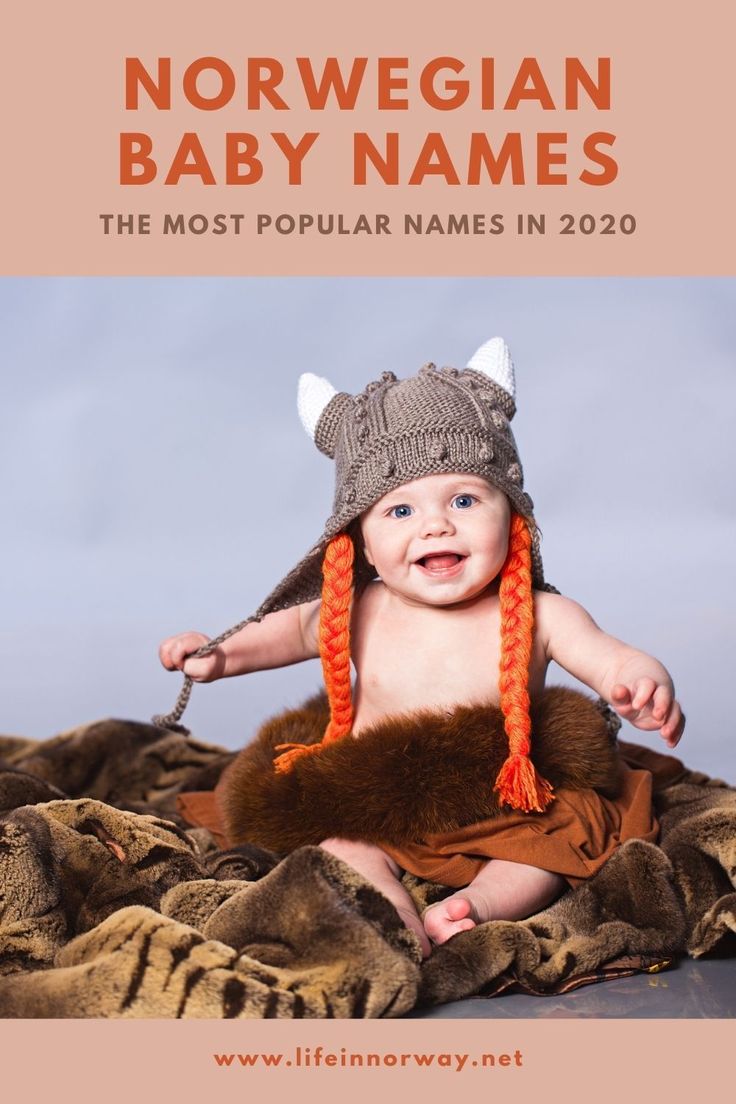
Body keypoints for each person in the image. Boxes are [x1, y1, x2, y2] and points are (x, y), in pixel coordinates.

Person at [159, 338, 684, 958]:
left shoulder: (545, 613)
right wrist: (218, 655)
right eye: (400, 510)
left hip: (507, 800)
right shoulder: (364, 605)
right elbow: (289, 631)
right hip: (385, 798)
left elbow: (608, 657)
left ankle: (480, 902)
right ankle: (390, 902)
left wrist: (639, 679)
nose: (435, 525)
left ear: (510, 515)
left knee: (557, 839)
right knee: (342, 843)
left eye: (464, 500)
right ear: (359, 542)